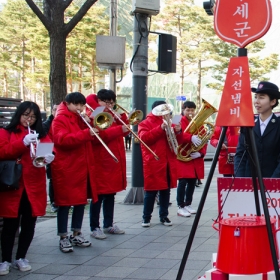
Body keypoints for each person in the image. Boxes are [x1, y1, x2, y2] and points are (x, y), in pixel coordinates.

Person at [0, 101, 54, 274]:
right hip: (13, 185)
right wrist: (22, 142)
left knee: (29, 223)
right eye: (26, 115)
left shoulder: (41, 133)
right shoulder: (6, 132)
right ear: (19, 115)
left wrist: (49, 157)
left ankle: (21, 257)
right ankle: (5, 260)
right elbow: (3, 152)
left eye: (33, 116)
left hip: (34, 185)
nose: (29, 120)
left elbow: (45, 153)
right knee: (10, 224)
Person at [51, 92, 100, 252]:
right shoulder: (60, 118)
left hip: (82, 166)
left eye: (82, 105)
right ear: (68, 103)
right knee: (64, 204)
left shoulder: (81, 118)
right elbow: (62, 140)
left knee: (80, 202)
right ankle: (63, 236)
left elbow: (90, 139)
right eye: (76, 105)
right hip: (67, 167)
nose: (79, 108)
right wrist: (86, 133)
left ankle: (77, 232)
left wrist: (89, 124)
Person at [138, 100, 189, 227]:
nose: (165, 113)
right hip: (153, 161)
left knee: (166, 191)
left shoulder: (169, 122)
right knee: (151, 191)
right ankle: (146, 217)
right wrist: (160, 129)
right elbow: (144, 139)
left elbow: (179, 141)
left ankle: (164, 216)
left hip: (168, 161)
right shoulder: (145, 123)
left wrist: (178, 131)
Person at [87, 91, 129, 239]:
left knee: (111, 194)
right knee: (98, 196)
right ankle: (94, 227)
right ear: (98, 101)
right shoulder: (95, 113)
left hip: (113, 160)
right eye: (106, 102)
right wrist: (119, 129)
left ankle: (108, 224)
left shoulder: (110, 112)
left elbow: (122, 131)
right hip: (101, 161)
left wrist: (123, 120)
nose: (109, 105)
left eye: (111, 102)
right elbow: (99, 136)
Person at [235, 81, 280, 178]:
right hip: (249, 182)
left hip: (272, 182)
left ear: (273, 101)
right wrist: (240, 179)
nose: (256, 101)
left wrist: (273, 180)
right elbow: (240, 154)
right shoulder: (248, 125)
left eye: (261, 97)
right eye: (256, 97)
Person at [176, 101, 207, 218]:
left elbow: (204, 139)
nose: (190, 112)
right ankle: (180, 206)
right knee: (182, 182)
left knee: (192, 182)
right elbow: (174, 134)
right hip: (182, 157)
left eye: (192, 110)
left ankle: (188, 204)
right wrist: (190, 137)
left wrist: (201, 153)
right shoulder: (177, 119)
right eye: (188, 110)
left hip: (194, 157)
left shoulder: (200, 122)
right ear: (183, 110)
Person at [42, 104, 58, 213]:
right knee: (52, 179)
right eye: (55, 109)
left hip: (59, 153)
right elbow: (44, 139)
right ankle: (53, 202)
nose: (57, 111)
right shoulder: (47, 124)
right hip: (51, 152)